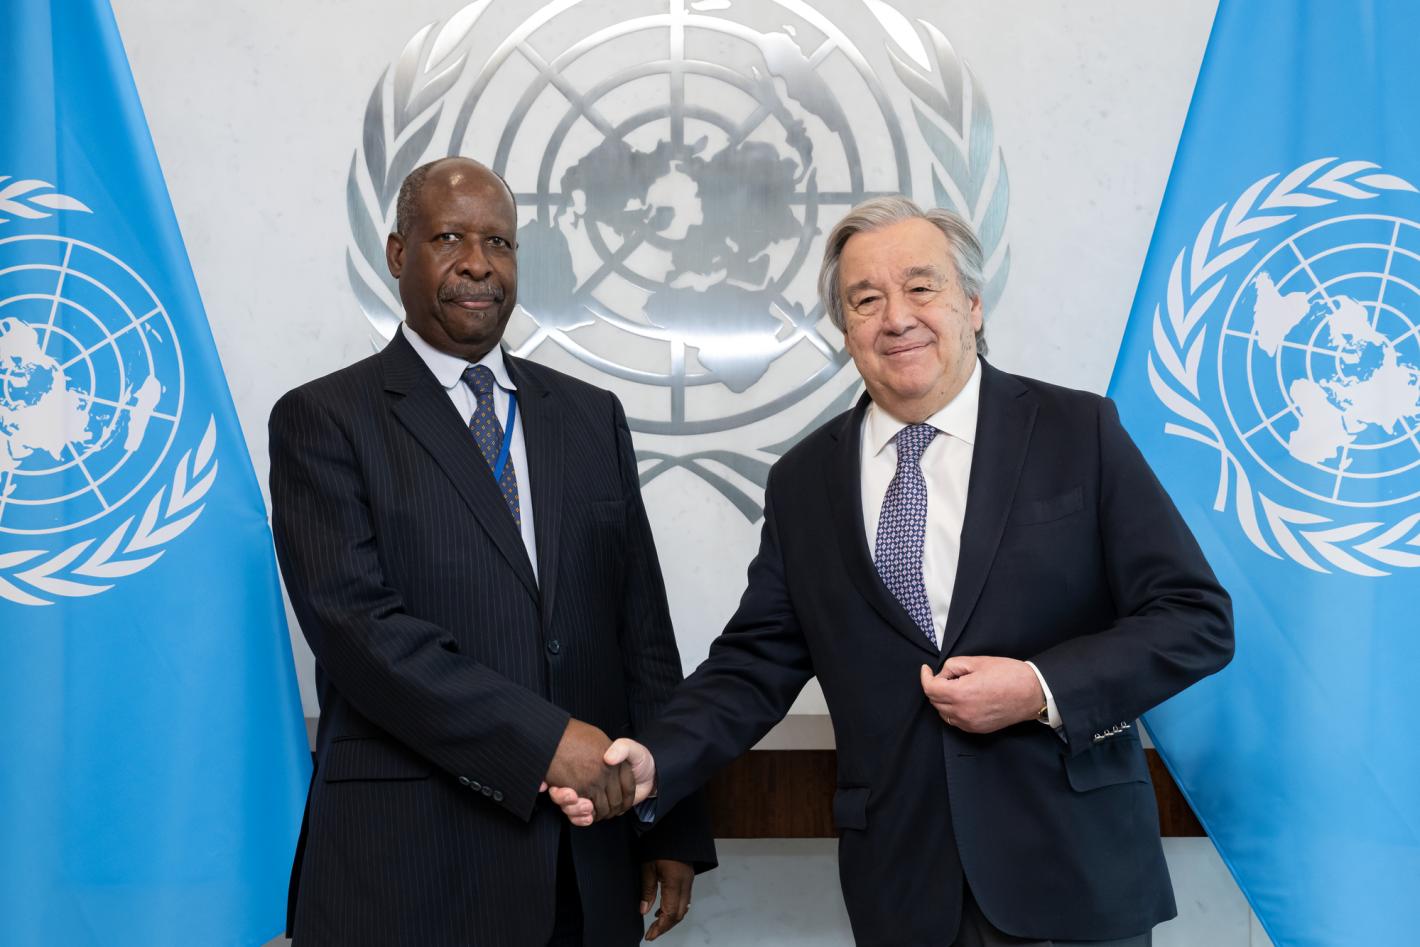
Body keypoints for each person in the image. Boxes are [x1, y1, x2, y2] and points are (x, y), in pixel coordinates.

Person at [551, 196, 1234, 946]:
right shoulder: (805, 482)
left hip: (1073, 870)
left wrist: (1039, 688)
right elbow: (754, 664)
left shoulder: (1079, 431)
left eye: (921, 287)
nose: (896, 318)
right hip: (905, 887)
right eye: (865, 299)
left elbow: (1194, 618)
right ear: (845, 330)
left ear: (972, 304)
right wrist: (657, 755)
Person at [268, 156, 715, 946]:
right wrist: (546, 742)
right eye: (449, 238)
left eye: (499, 242)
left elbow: (641, 630)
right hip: (411, 866)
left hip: (584, 861)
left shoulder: (590, 416)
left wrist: (669, 820)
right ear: (398, 254)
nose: (479, 263)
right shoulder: (324, 419)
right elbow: (361, 634)